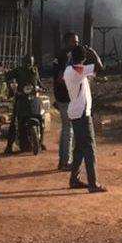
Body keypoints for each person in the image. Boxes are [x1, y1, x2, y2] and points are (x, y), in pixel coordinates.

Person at [63, 44, 107, 194]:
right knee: (89, 148)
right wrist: (93, 52)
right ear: (83, 58)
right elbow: (100, 67)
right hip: (81, 113)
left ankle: (74, 180)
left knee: (80, 149)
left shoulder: (70, 70)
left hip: (77, 112)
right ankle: (93, 183)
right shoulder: (77, 70)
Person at [52, 33, 80, 171]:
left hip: (60, 97)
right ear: (67, 41)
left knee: (65, 129)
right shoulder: (66, 56)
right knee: (69, 130)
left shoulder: (59, 56)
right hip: (66, 97)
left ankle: (63, 160)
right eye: (74, 41)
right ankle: (65, 161)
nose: (76, 44)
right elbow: (60, 79)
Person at [7, 54, 45, 149]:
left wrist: (43, 87)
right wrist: (11, 89)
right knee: (14, 121)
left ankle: (42, 141)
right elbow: (6, 76)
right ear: (23, 63)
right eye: (27, 62)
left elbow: (38, 81)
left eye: (31, 62)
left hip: (33, 97)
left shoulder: (35, 70)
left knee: (41, 116)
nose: (29, 64)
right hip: (21, 97)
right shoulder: (18, 70)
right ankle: (9, 145)